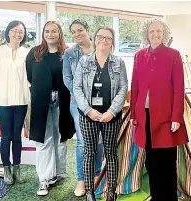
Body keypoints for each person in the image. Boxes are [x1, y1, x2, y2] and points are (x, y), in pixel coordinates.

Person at [130, 18, 189, 201]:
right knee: (151, 161)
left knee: (167, 161)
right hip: (145, 116)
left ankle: (169, 198)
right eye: (151, 32)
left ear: (164, 34)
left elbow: (179, 88)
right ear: (146, 35)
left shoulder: (173, 54)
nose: (155, 35)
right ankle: (156, 195)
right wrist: (133, 113)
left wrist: (176, 117)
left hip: (166, 117)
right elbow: (135, 85)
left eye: (158, 32)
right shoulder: (139, 55)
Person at [74, 26, 128, 201]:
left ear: (112, 42)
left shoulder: (119, 62)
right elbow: (77, 88)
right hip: (88, 116)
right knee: (89, 152)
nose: (103, 40)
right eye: (100, 37)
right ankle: (90, 191)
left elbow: (123, 88)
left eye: (108, 38)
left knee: (111, 152)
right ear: (94, 38)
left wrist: (112, 112)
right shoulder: (84, 61)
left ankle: (112, 190)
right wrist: (88, 110)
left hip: (111, 116)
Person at [26, 21, 74, 196]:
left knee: (61, 137)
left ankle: (58, 172)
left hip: (63, 100)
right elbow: (30, 75)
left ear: (60, 33)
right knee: (44, 139)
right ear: (43, 33)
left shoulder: (67, 52)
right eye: (47, 31)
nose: (50, 34)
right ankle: (44, 178)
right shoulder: (35, 52)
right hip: (41, 101)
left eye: (54, 31)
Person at [63, 19, 104, 197]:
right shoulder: (70, 53)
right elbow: (67, 78)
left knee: (100, 139)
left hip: (102, 102)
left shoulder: (101, 49)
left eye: (80, 30)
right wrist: (82, 97)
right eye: (73, 32)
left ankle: (95, 175)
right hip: (78, 103)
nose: (77, 34)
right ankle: (81, 179)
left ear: (88, 31)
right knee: (82, 141)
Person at [0, 20, 30, 185]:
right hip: (2, 100)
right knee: (6, 136)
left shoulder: (27, 52)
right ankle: (6, 168)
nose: (17, 34)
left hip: (21, 100)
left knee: (17, 136)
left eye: (21, 31)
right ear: (8, 32)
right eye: (14, 30)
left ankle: (17, 168)